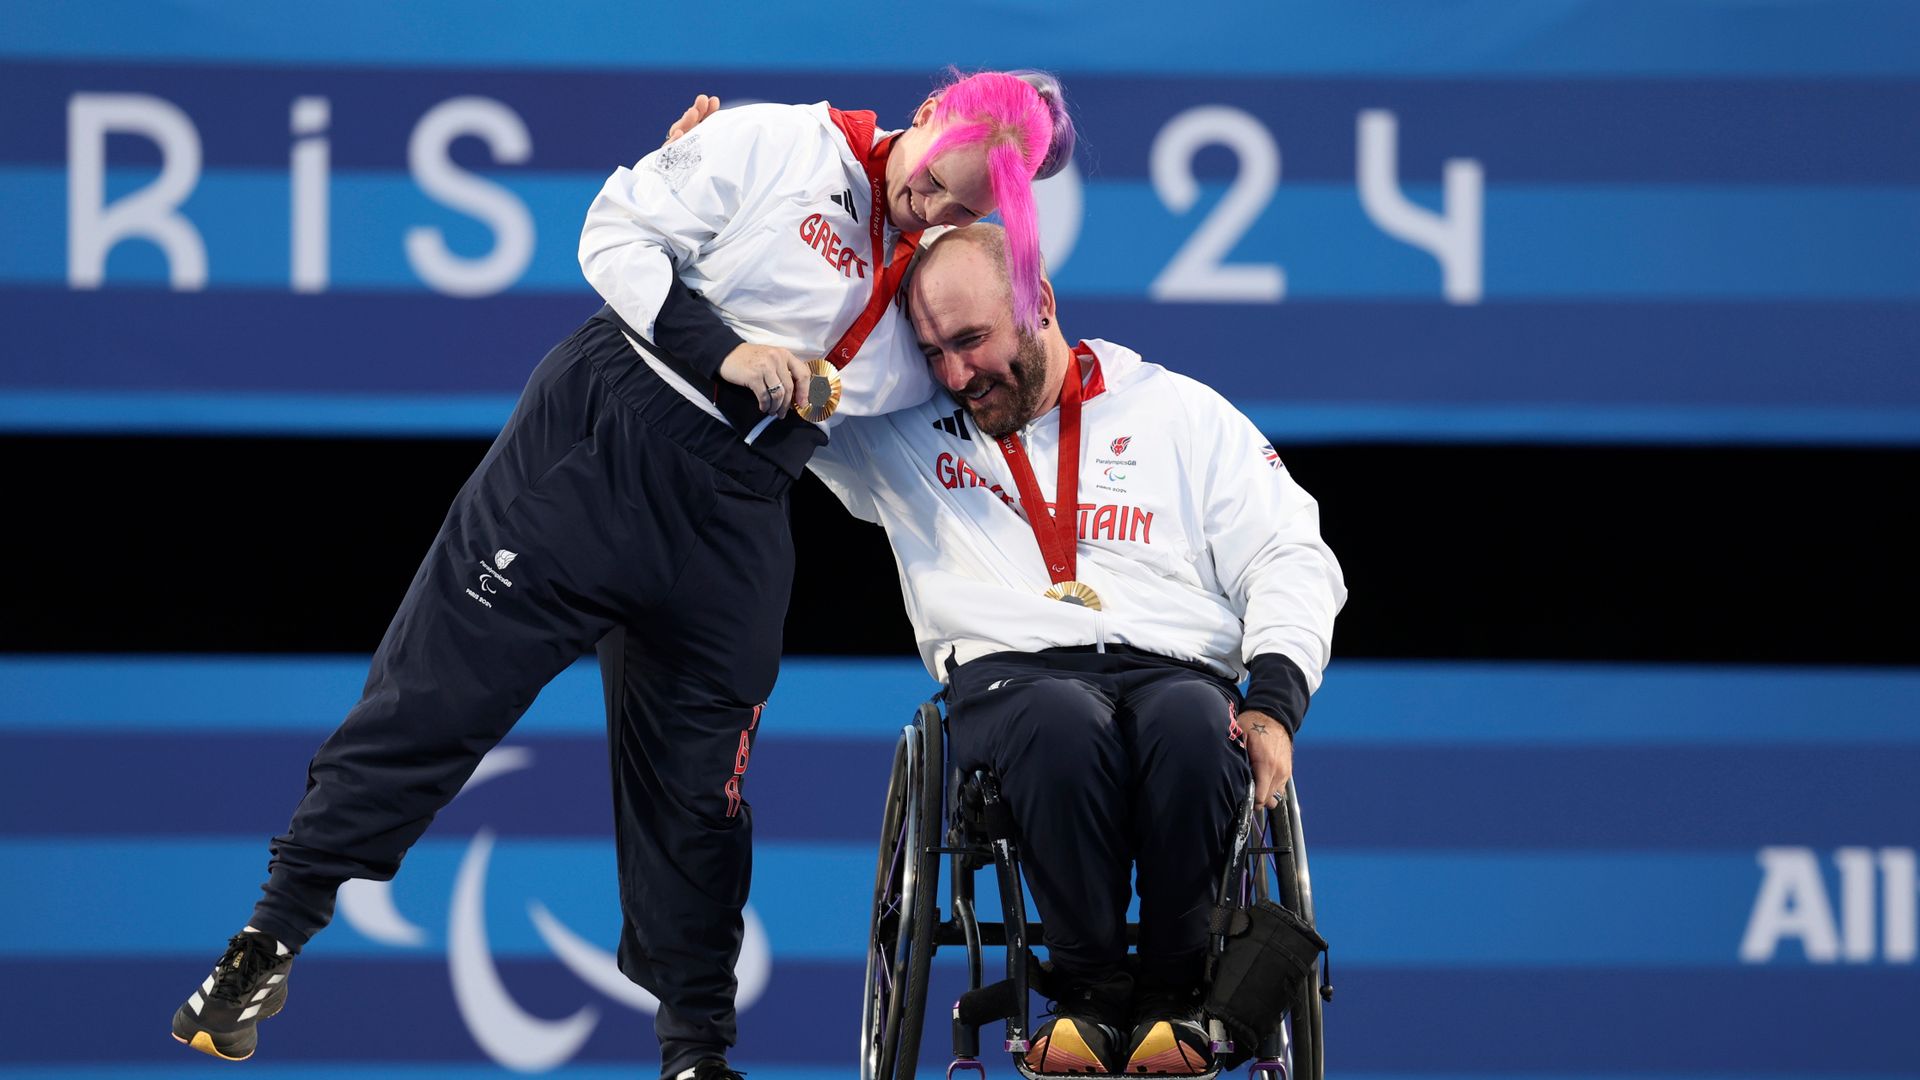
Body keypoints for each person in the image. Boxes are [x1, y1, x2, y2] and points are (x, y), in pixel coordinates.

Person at [168, 72, 1075, 1080]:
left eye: (969, 209)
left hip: (738, 514)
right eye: (937, 184)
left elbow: (992, 393)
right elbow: (610, 235)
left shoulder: (933, 287)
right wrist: (727, 352)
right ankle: (268, 942)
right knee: (434, 698)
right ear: (934, 116)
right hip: (602, 448)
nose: (937, 212)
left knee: (702, 805)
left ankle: (697, 1053)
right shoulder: (776, 145)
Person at [807, 224, 1346, 1075]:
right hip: (1011, 678)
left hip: (1177, 670)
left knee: (1198, 729)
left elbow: (1291, 554)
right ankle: (1088, 999)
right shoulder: (906, 424)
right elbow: (791, 359)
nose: (955, 374)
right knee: (1059, 720)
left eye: (973, 340)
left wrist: (1276, 701)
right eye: (933, 350)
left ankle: (1175, 999)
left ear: (1039, 305)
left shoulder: (1182, 415)